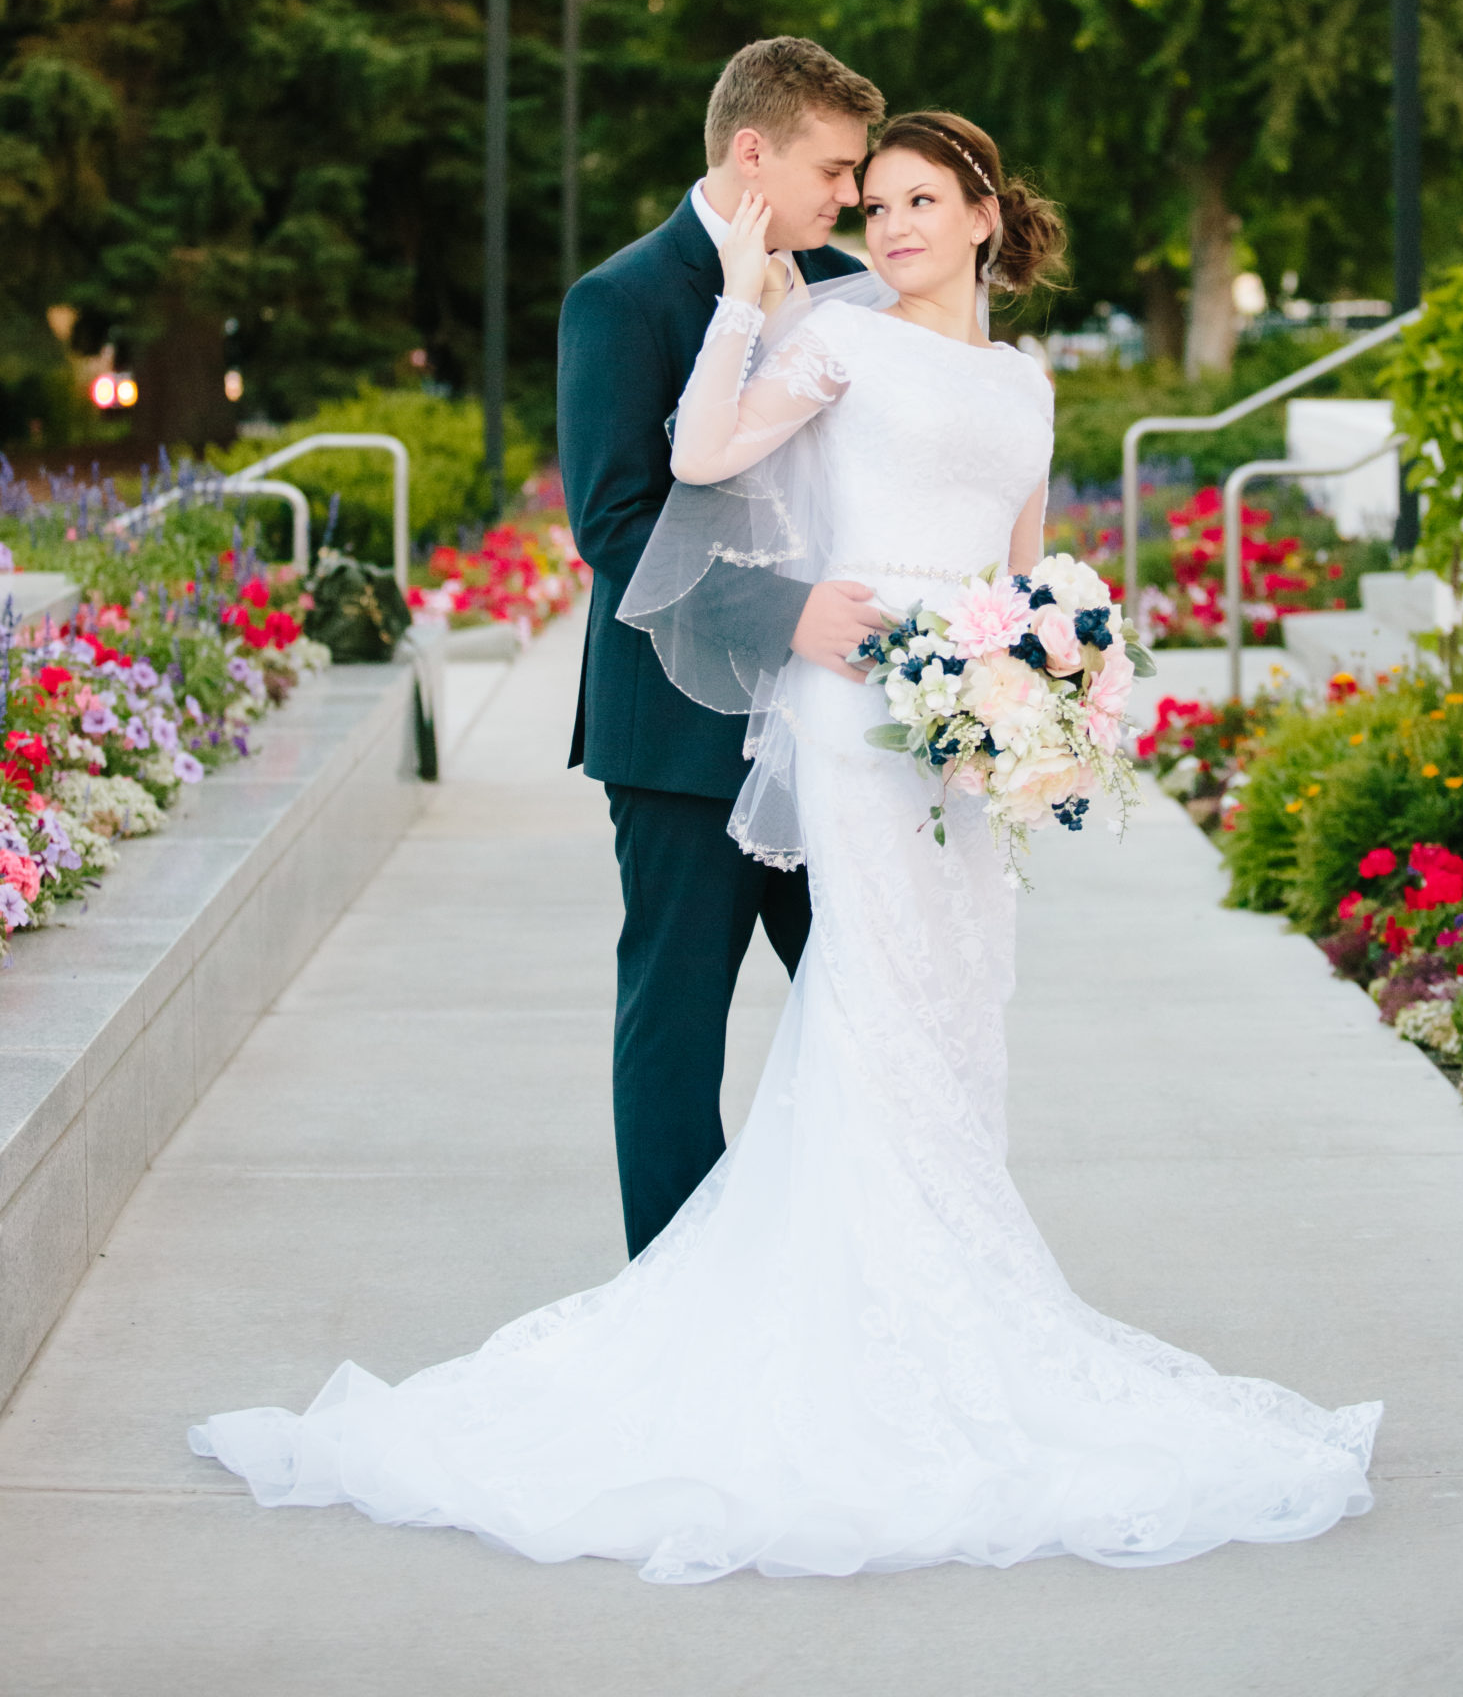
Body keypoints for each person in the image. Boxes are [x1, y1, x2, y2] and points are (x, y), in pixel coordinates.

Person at [191, 107, 1379, 1580]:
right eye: (864, 195)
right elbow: (674, 472)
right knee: (820, 1007)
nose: (879, 223)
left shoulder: (1021, 384)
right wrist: (747, 310)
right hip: (831, 713)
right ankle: (746, 1317)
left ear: (984, 214)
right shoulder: (824, 333)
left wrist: (1058, 688)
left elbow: (1021, 571)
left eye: (911, 199)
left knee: (943, 1010)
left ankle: (932, 1299)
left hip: (957, 739)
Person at [558, 34, 884, 1257]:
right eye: (834, 168)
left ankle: (851, 1273)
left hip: (825, 735)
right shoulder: (624, 298)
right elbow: (616, 524)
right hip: (678, 744)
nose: (849, 197)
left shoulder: (848, 283)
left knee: (867, 1009)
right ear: (753, 152)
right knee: (676, 1030)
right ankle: (676, 1308)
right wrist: (790, 613)